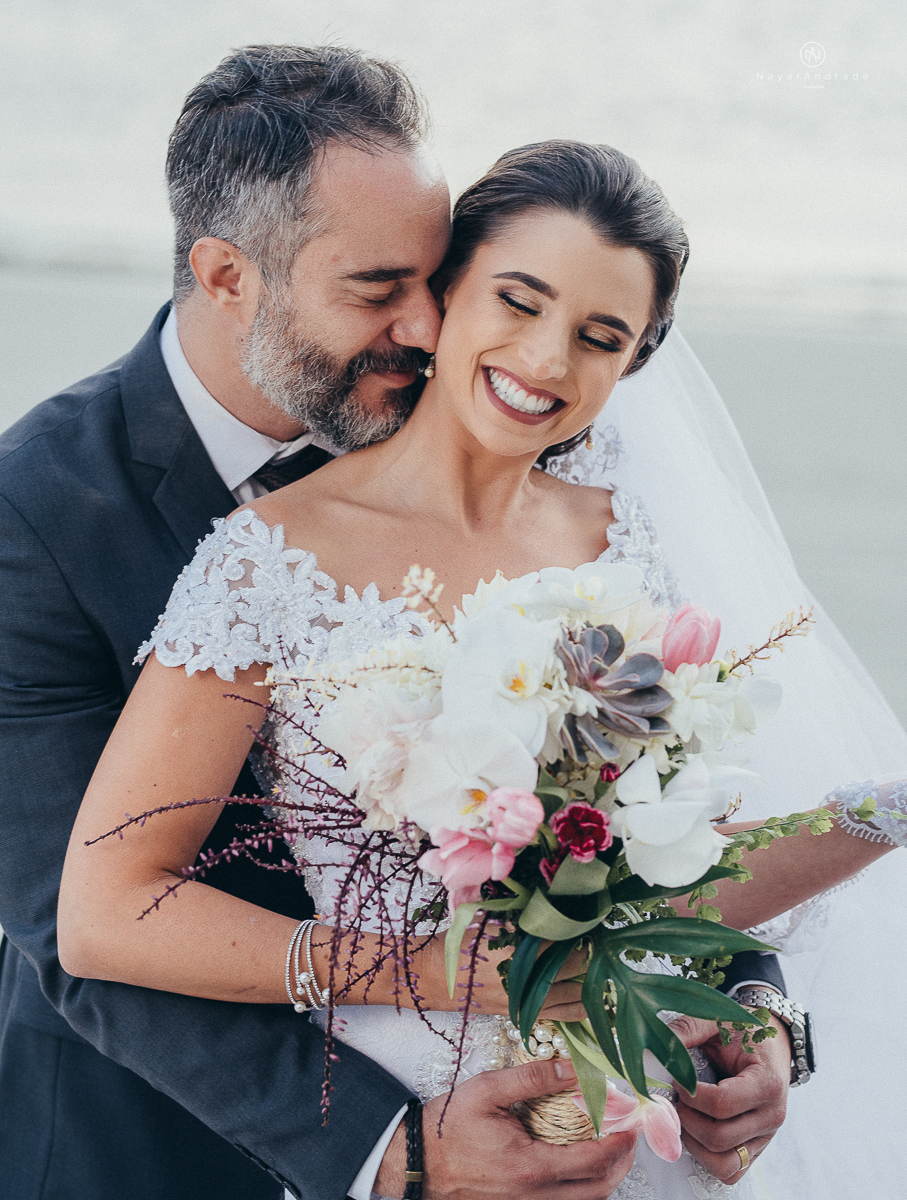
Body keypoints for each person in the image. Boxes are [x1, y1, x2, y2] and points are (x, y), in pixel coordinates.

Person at [0, 46, 785, 1200]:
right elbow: (74, 929)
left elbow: (638, 783)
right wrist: (389, 1149)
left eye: (439, 276)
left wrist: (743, 1007)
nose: (426, 328)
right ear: (225, 275)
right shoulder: (37, 514)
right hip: (160, 1140)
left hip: (569, 1100)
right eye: (377, 289)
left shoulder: (495, 420)